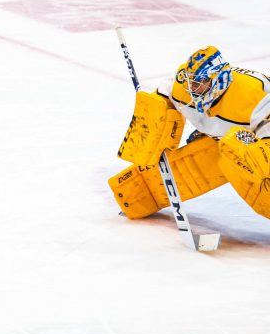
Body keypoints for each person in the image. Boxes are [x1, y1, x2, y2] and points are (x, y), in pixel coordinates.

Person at [109, 46, 270, 221]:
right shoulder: (182, 87)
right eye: (190, 80)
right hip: (229, 139)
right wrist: (152, 125)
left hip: (260, 141)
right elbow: (162, 98)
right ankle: (137, 198)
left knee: (245, 156)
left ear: (217, 80)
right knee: (206, 157)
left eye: (199, 82)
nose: (191, 87)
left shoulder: (256, 97)